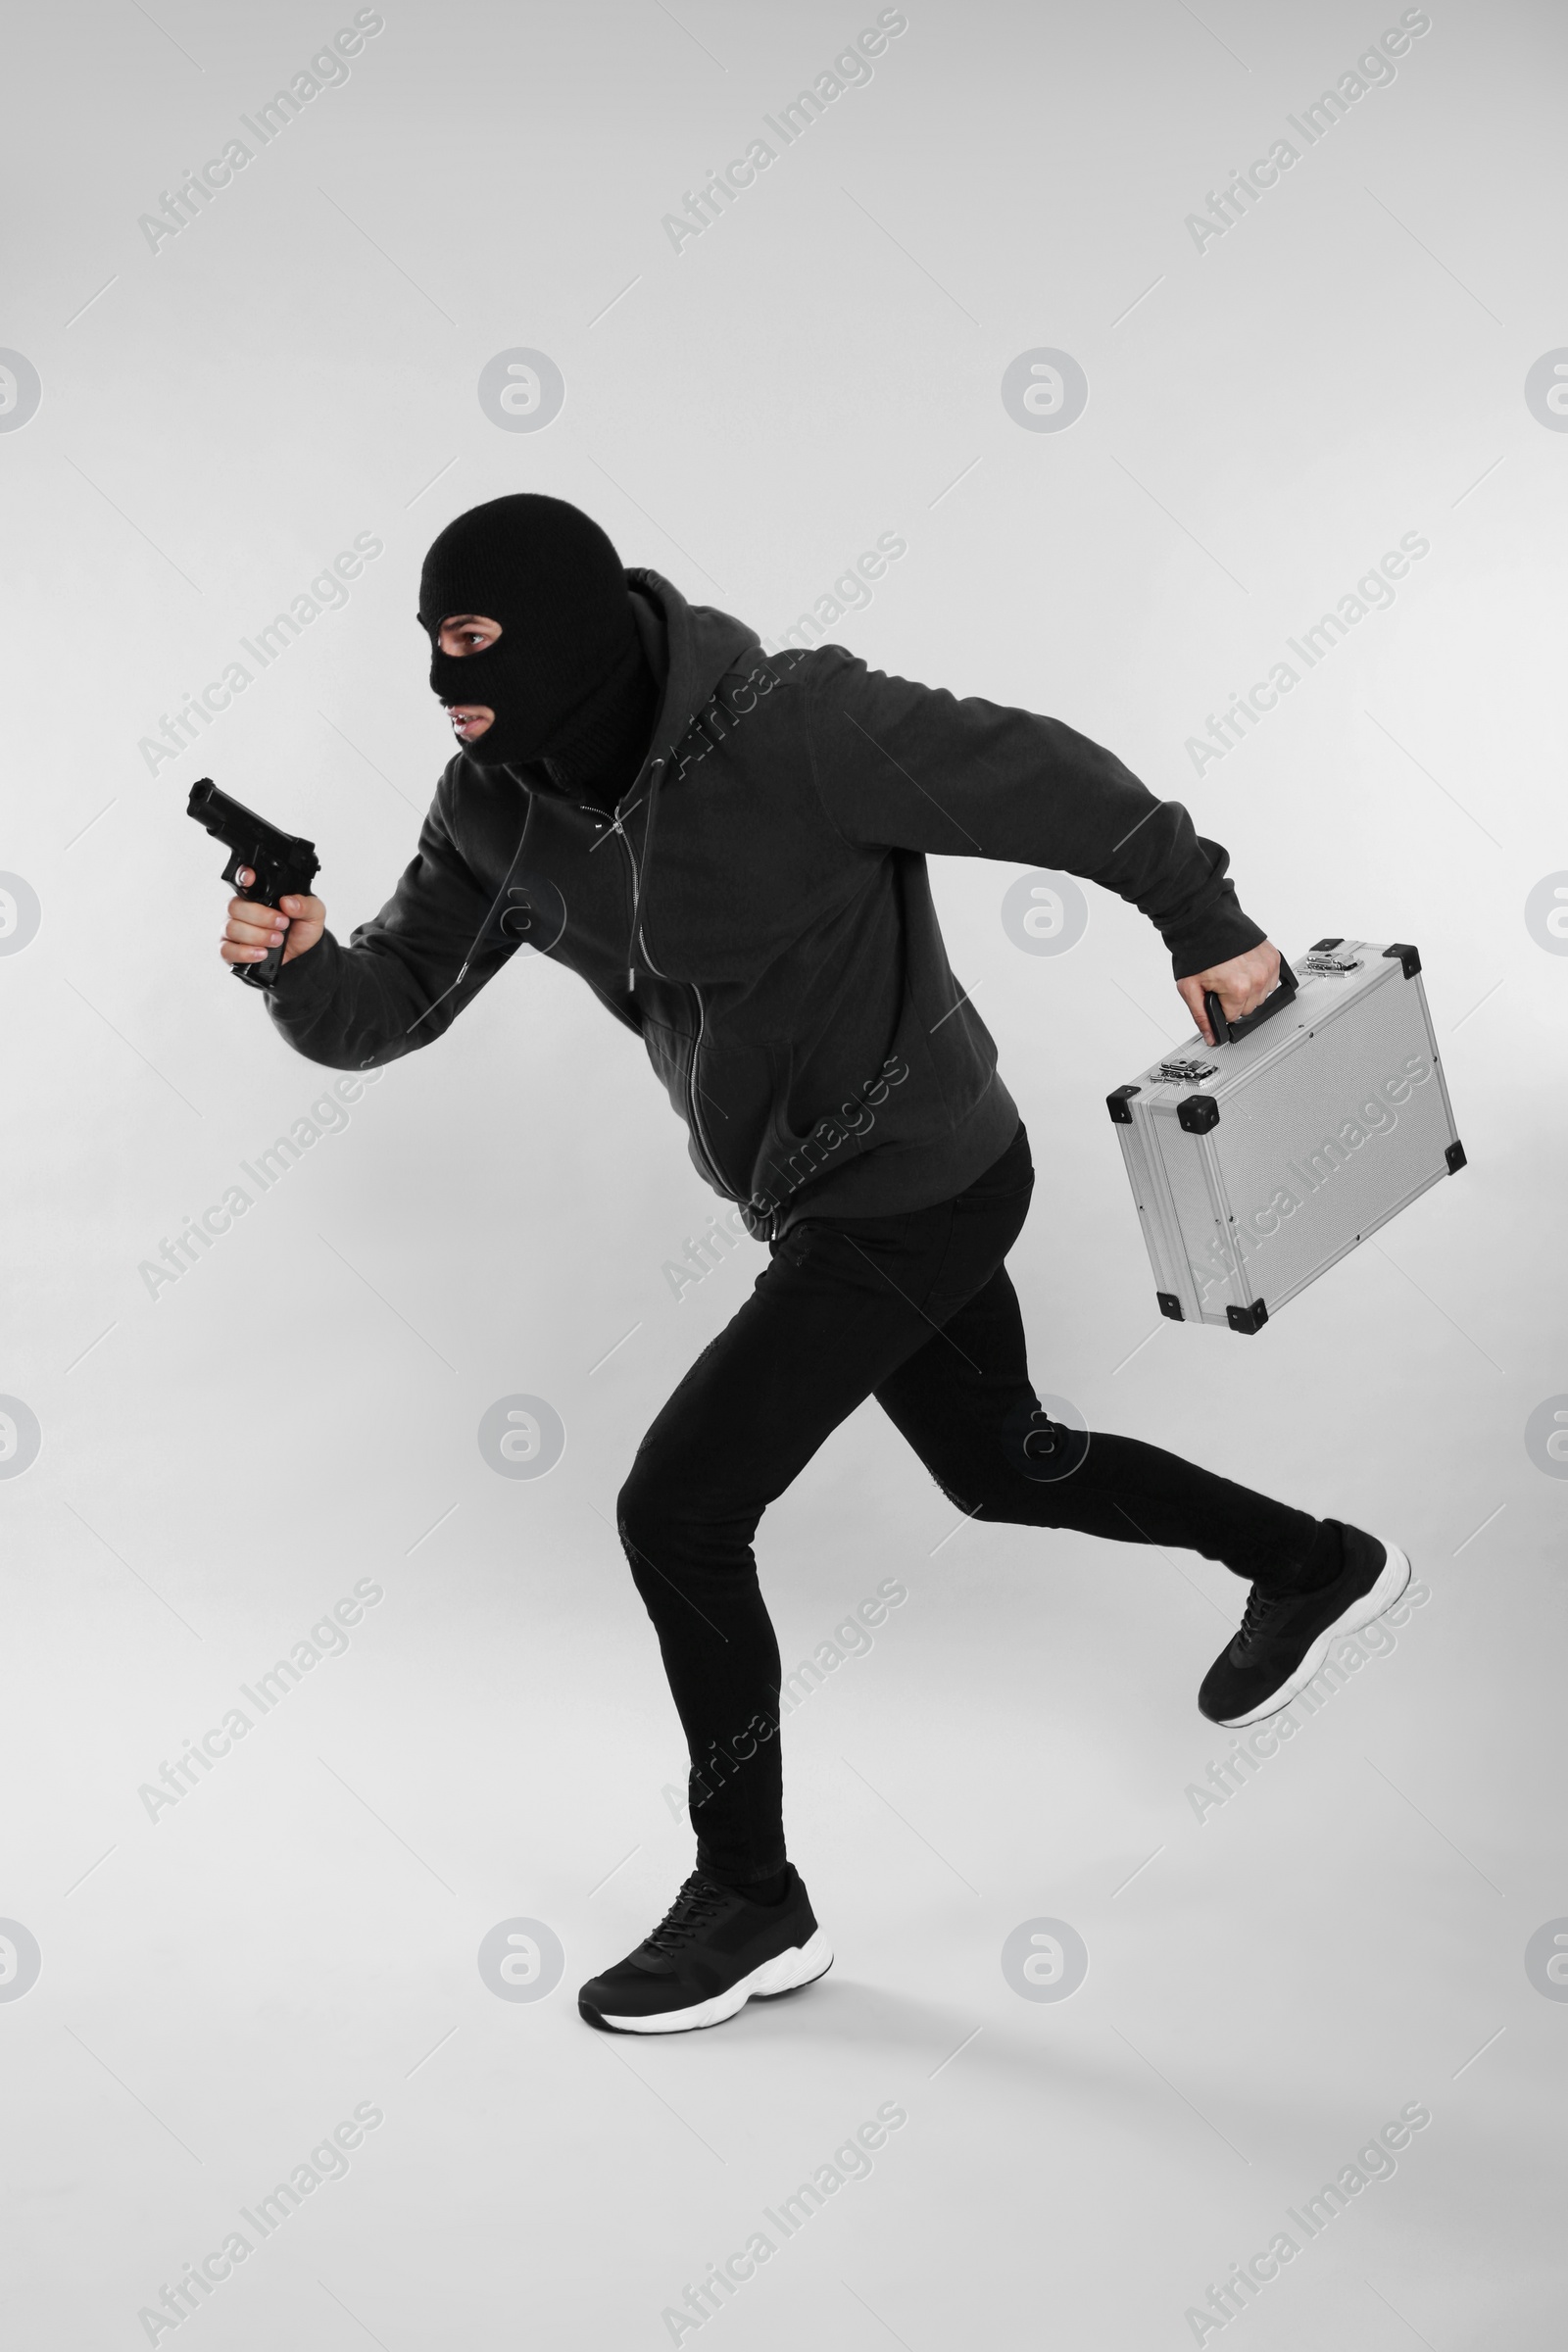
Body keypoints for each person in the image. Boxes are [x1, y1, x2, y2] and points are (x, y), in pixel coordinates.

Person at [219, 492, 1410, 2036]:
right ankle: (1315, 1562)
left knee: (681, 1508)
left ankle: (751, 1900)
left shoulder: (794, 726)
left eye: (475, 641)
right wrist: (299, 963)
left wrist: (1210, 920)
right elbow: (385, 1008)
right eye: (432, 647)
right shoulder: (496, 806)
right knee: (1004, 1464)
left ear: (570, 636)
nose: (449, 680)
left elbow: (1057, 782)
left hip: (920, 1180)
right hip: (813, 1203)